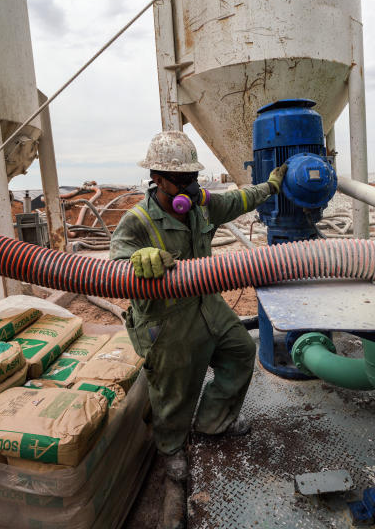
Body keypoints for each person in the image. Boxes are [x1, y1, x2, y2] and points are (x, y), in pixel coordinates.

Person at [110, 130, 287, 482]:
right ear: (157, 179)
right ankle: (171, 448)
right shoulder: (137, 221)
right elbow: (112, 267)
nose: (188, 188)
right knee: (174, 390)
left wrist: (269, 187)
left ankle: (212, 422)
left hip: (208, 305)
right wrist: (135, 259)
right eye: (178, 180)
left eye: (192, 178)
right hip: (166, 319)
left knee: (239, 351)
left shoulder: (201, 205)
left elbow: (238, 200)